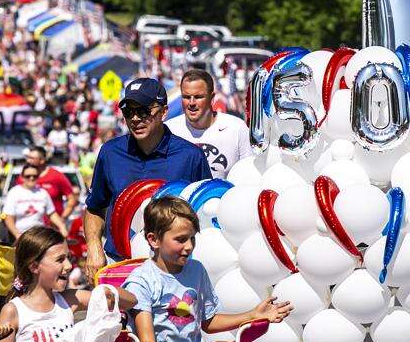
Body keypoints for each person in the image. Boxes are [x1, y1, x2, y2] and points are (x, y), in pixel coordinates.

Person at [123, 197, 292, 342]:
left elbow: (208, 322)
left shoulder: (196, 270)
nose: (189, 247)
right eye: (180, 239)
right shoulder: (143, 280)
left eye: (192, 238)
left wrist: (253, 314)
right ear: (153, 240)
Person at [84, 78, 212, 281]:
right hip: (120, 264)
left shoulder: (190, 156)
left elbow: (206, 215)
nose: (135, 118)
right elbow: (94, 207)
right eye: (128, 111)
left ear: (163, 112)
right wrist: (93, 247)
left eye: (143, 111)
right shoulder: (110, 152)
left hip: (174, 272)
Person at [0, 226, 136, 342]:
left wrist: (106, 290)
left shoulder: (68, 300)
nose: (68, 266)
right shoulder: (14, 310)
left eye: (69, 258)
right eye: (60, 259)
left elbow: (132, 301)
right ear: (34, 266)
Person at [166, 69, 252, 180]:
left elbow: (249, 175)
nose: (191, 103)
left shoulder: (236, 128)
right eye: (186, 97)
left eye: (198, 97)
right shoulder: (169, 130)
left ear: (211, 98)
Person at [3, 164, 68, 240]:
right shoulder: (14, 192)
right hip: (20, 235)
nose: (31, 178)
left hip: (39, 236)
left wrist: (62, 226)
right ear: (22, 177)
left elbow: (51, 213)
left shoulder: (43, 193)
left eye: (35, 176)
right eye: (28, 176)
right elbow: (8, 218)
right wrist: (17, 234)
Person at [19, 146, 77, 221]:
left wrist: (62, 218)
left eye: (32, 158)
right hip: (29, 228)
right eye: (28, 158)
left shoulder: (56, 176)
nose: (28, 161)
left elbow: (71, 199)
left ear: (42, 160)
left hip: (52, 227)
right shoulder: (23, 177)